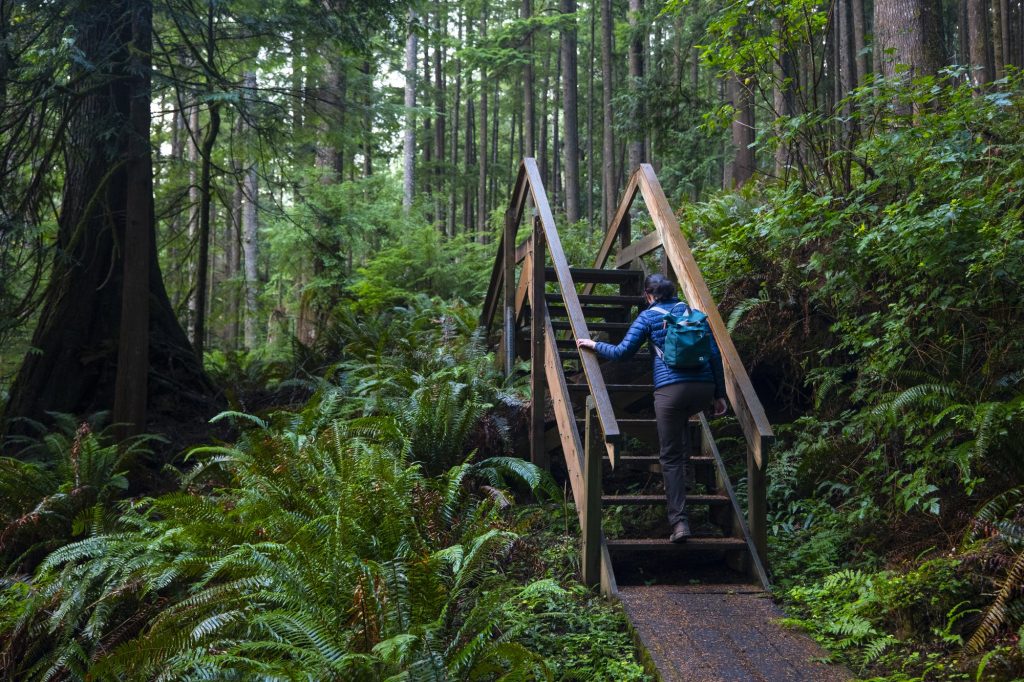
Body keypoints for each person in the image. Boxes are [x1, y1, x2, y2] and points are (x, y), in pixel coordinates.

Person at [577, 273, 727, 543]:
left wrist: (595, 344)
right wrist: (719, 395)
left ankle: (680, 523)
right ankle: (688, 480)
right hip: (702, 390)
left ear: (648, 295)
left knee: (669, 456)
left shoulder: (647, 317)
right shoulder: (692, 314)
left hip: (670, 391)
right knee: (682, 441)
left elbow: (623, 353)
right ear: (673, 292)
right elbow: (714, 355)